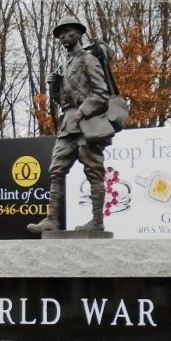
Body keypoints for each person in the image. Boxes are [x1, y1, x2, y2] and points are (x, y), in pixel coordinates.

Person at [27, 16, 113, 235]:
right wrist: (55, 86)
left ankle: (97, 221)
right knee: (56, 169)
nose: (64, 37)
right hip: (68, 124)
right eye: (61, 34)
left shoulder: (88, 59)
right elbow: (64, 99)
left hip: (86, 123)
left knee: (94, 171)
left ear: (79, 33)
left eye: (68, 32)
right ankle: (52, 219)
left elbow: (101, 94)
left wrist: (82, 111)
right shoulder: (65, 63)